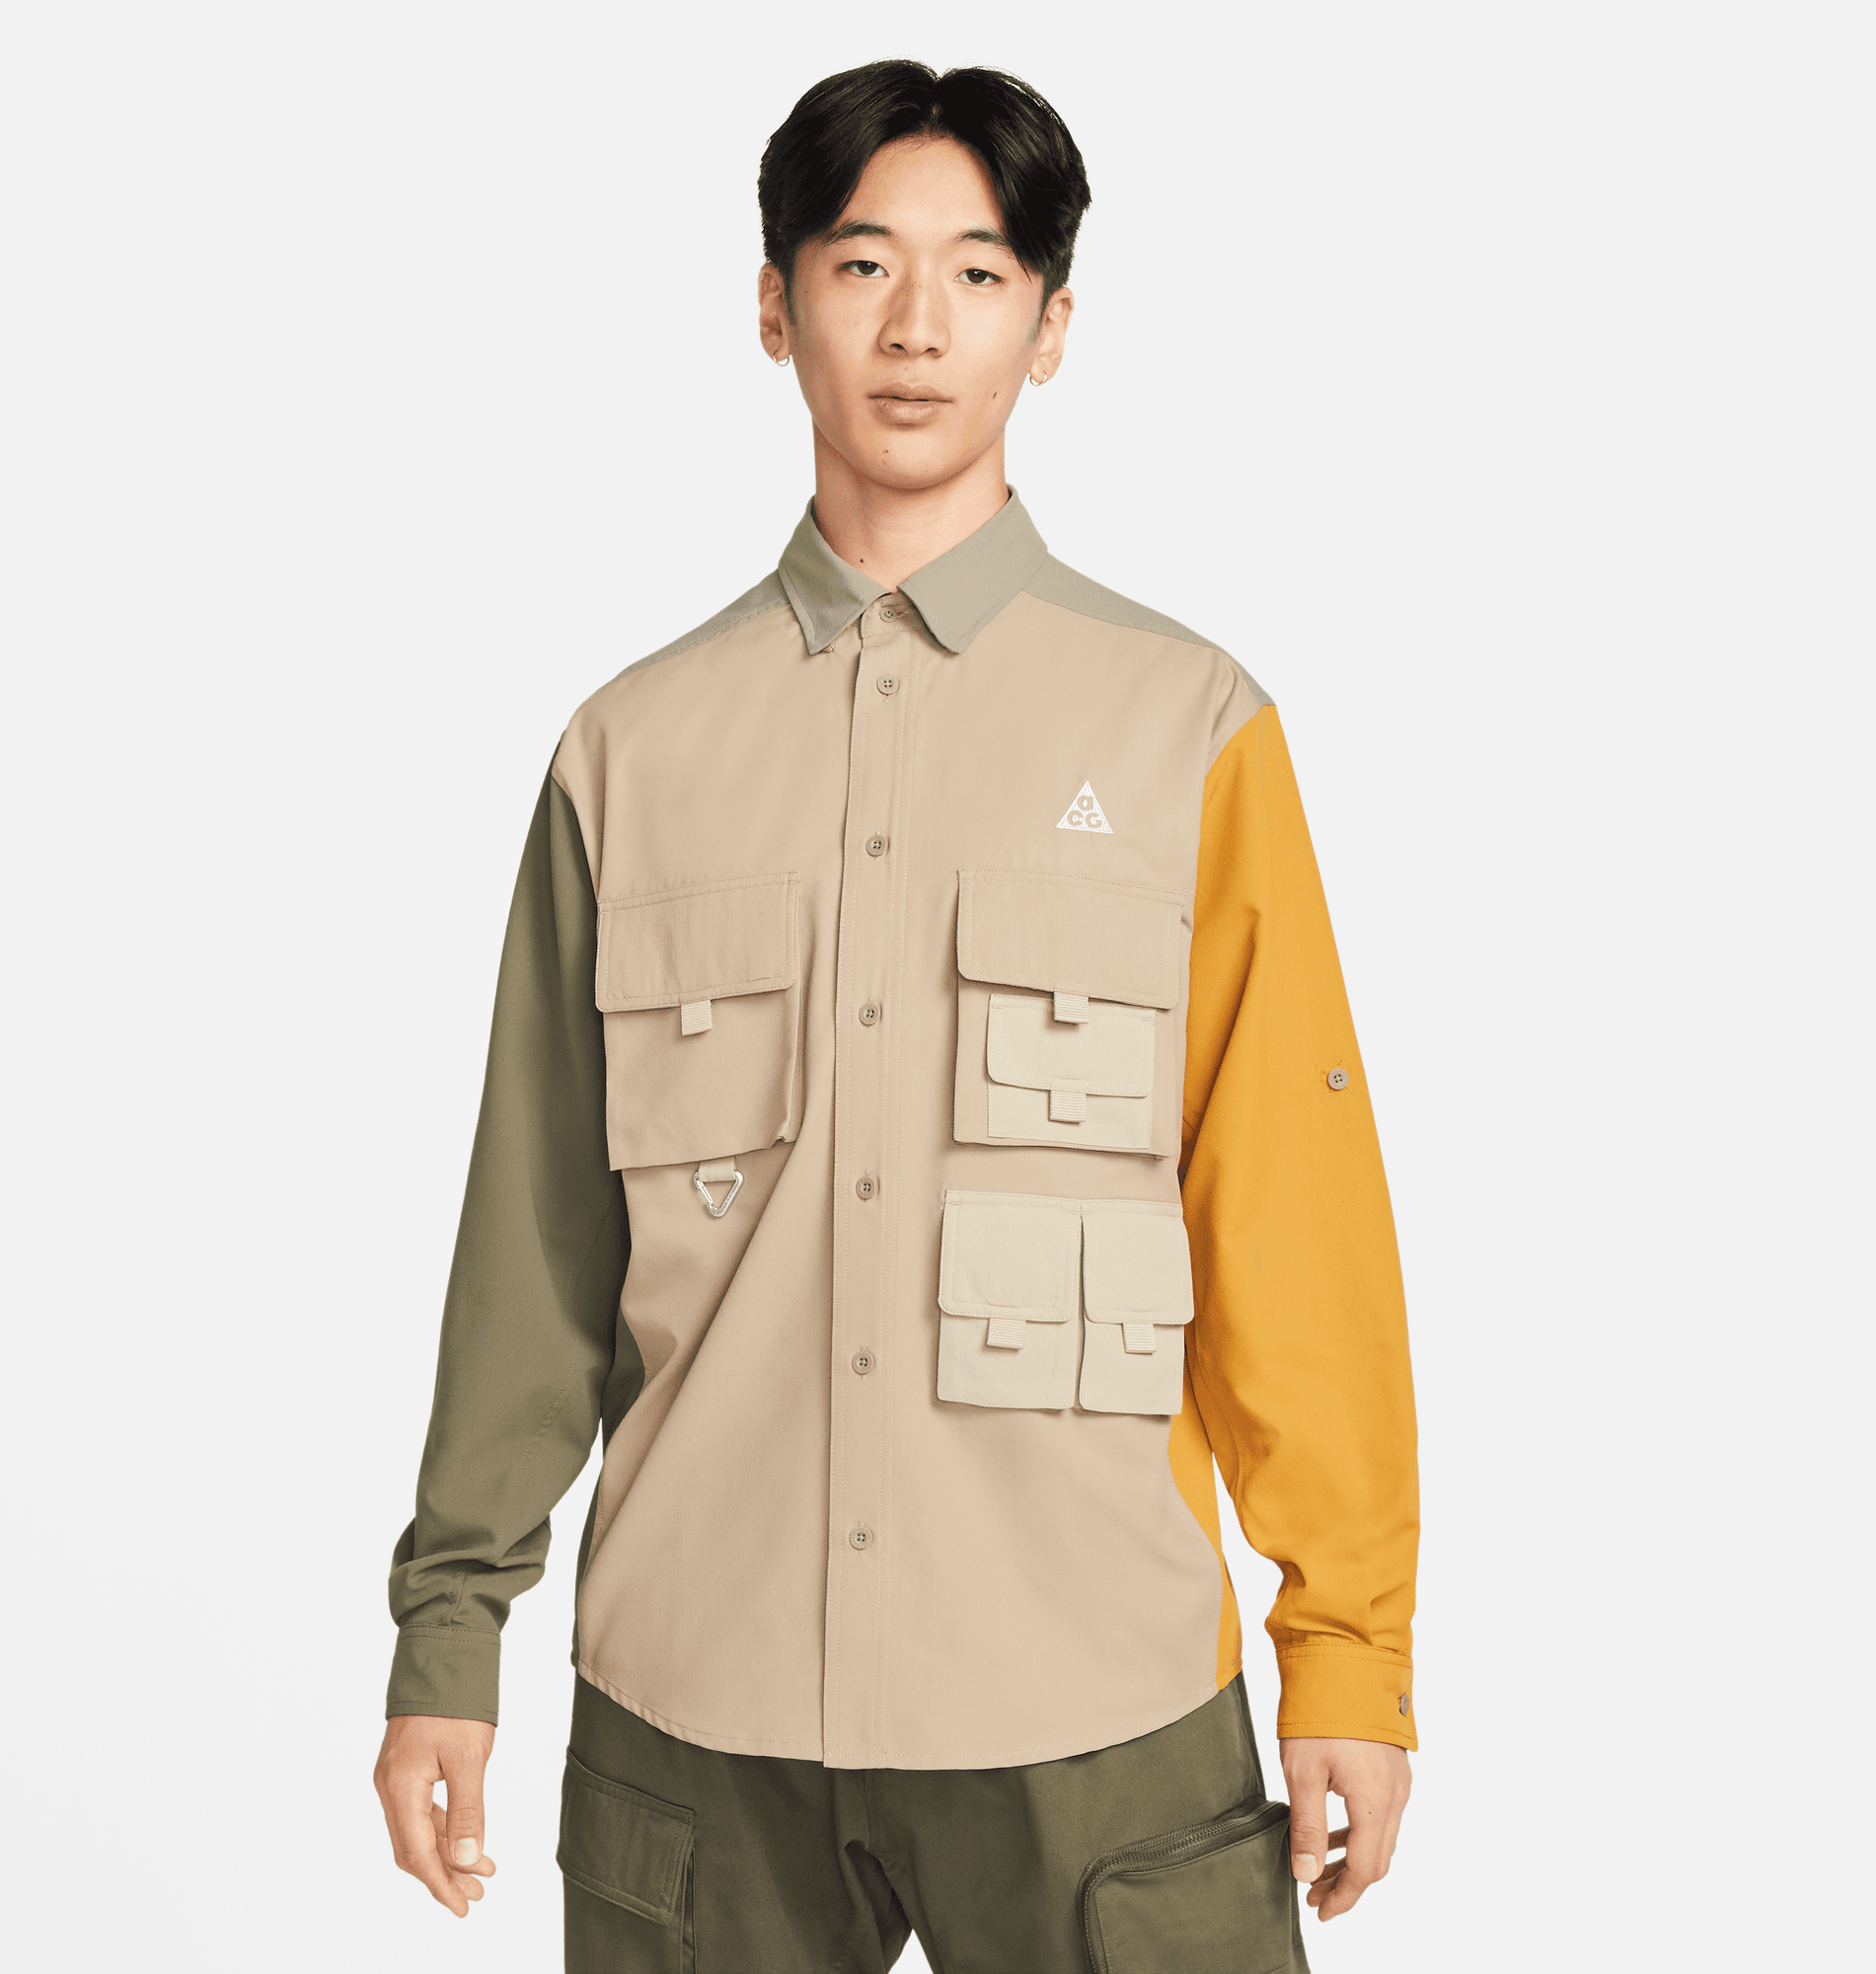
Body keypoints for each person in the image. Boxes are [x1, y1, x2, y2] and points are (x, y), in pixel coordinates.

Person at [373, 60, 1418, 1972]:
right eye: (862, 265)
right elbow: (536, 1242)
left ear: (1052, 325)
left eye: (980, 273)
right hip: (698, 1710)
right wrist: (452, 1628)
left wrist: (1345, 1644)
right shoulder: (628, 751)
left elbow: (1288, 1213)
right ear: (777, 308)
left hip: (1093, 1700)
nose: (919, 325)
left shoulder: (1189, 728)